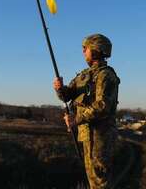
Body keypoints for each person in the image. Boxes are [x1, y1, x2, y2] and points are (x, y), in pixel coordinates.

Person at [53, 33, 120, 189]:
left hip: (100, 137)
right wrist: (60, 89)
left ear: (96, 50)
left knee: (99, 180)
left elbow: (102, 106)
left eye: (86, 48)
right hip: (85, 135)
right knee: (91, 178)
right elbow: (67, 95)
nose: (83, 51)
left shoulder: (106, 75)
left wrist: (75, 119)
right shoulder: (84, 75)